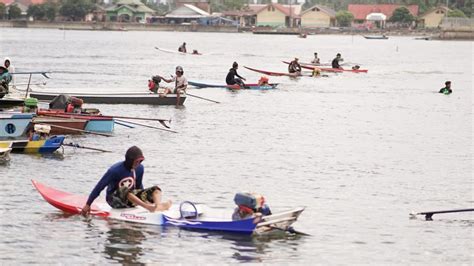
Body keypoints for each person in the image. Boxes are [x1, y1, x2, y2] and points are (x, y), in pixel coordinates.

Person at [80, 146, 172, 216]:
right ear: (129, 160)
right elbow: (99, 187)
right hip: (114, 200)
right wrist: (88, 204)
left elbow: (139, 187)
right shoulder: (114, 170)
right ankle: (148, 208)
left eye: (140, 161)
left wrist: (145, 197)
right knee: (123, 189)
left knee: (156, 189)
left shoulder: (140, 168)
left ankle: (158, 206)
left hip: (130, 200)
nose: (138, 164)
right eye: (136, 161)